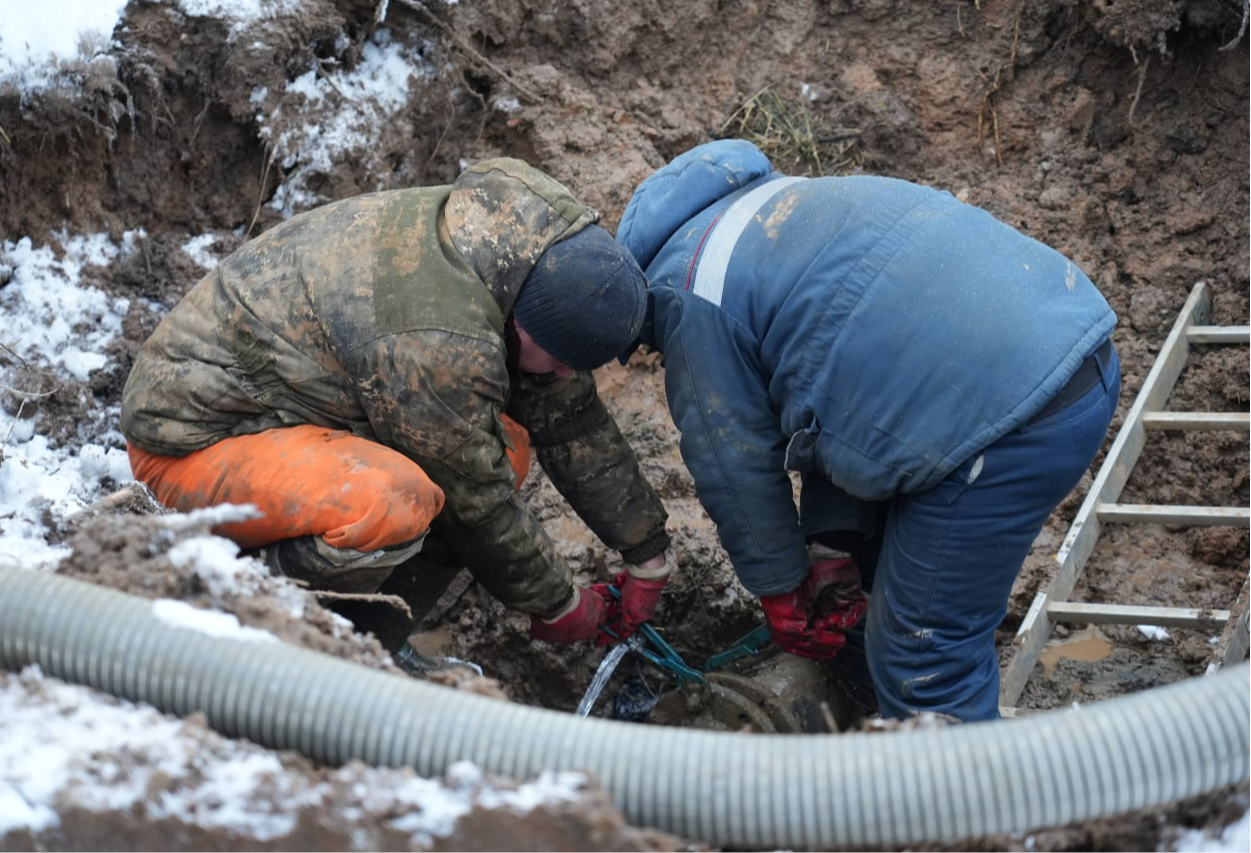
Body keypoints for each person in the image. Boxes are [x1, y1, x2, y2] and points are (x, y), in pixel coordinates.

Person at [615, 139, 1119, 721]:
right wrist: (835, 543)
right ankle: (889, 732)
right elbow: (846, 380)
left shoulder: (687, 286)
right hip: (1080, 352)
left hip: (1005, 427)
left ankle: (971, 803)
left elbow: (735, 464)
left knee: (924, 660)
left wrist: (781, 589)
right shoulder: (792, 206)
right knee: (880, 596)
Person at [120, 157, 673, 654]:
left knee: (509, 449)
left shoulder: (523, 254)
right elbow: (474, 501)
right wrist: (559, 605)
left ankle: (376, 641)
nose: (568, 375)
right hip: (193, 439)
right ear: (526, 324)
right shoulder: (439, 344)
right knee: (391, 502)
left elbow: (568, 415)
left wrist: (645, 551)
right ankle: (256, 625)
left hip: (296, 404)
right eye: (560, 358)